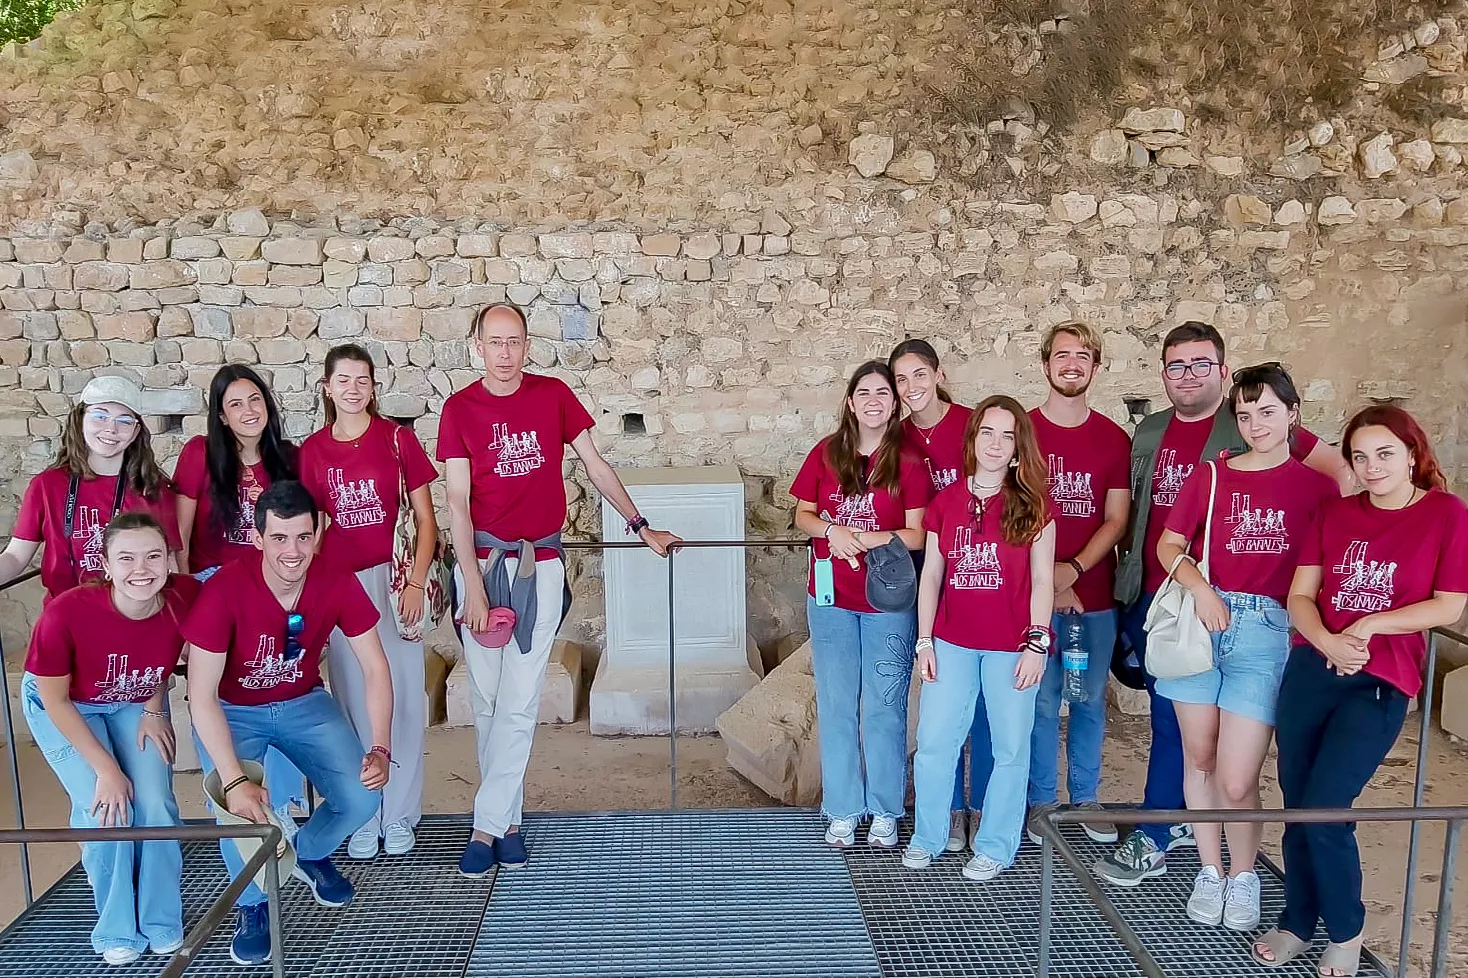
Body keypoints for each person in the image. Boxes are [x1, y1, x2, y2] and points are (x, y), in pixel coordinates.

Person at [1098, 323, 1350, 887]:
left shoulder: (1253, 420)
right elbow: (1145, 520)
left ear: (1220, 367)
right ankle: (1178, 827)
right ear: (1164, 374)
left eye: (1200, 364)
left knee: (1219, 746)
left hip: (1249, 613)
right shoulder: (1151, 432)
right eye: (1176, 365)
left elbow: (1337, 474)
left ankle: (1166, 831)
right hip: (1164, 593)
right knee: (1180, 727)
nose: (1187, 375)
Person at [438, 302, 679, 876]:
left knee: (520, 701)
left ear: (527, 344)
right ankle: (510, 820)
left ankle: (485, 826)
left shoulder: (553, 396)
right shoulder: (459, 409)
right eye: (494, 342)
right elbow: (456, 501)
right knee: (489, 701)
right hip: (482, 566)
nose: (505, 352)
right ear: (476, 346)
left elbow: (595, 465)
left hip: (540, 564)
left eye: (515, 341)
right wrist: (471, 583)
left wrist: (640, 525)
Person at [1251, 406, 1468, 977]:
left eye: (1385, 454)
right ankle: (1299, 918)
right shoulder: (1334, 512)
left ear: (1413, 454)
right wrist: (1326, 639)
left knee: (1325, 805)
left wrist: (1368, 627)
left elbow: (1449, 603)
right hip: (1311, 669)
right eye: (1360, 456)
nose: (1372, 467)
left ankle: (1346, 927)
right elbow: (1301, 596)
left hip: (1380, 680)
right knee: (1298, 803)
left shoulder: (1445, 514)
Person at [1154, 364, 1338, 932]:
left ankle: (1244, 873)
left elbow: (1326, 567)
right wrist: (1203, 591)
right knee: (1199, 757)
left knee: (1238, 777)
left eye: (1267, 411)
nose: (1256, 423)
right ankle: (1211, 870)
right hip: (1203, 621)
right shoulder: (1214, 476)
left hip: (1269, 629)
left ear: (1292, 415)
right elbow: (1169, 545)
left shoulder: (1316, 487)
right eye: (1246, 413)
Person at [184, 481, 394, 967]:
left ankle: (311, 850)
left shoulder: (336, 578)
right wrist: (234, 780)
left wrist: (380, 747)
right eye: (279, 538)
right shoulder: (223, 590)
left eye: (302, 537)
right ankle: (252, 906)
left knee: (363, 795)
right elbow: (201, 695)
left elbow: (375, 667)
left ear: (318, 533)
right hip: (233, 710)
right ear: (257, 539)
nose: (292, 551)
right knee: (240, 812)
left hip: (303, 701)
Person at [20, 512, 197, 966]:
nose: (142, 569)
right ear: (105, 563)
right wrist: (106, 769)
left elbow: (164, 652)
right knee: (109, 806)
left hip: (133, 699)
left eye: (154, 556)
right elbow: (55, 699)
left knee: (155, 801)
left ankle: (160, 920)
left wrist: (156, 708)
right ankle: (116, 927)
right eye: (127, 558)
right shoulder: (66, 613)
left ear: (168, 560)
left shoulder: (183, 596)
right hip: (66, 703)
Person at [903, 395, 1056, 882]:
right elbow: (931, 576)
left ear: (1018, 449)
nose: (994, 443)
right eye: (986, 432)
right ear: (973, 441)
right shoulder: (945, 503)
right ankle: (928, 836)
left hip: (1012, 645)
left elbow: (1042, 581)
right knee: (933, 742)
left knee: (1011, 747)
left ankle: (995, 844)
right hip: (951, 641)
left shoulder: (1034, 506)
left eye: (1006, 435)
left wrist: (1037, 644)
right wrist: (924, 641)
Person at [299, 344, 440, 859]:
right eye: (344, 379)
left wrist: (416, 581)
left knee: (401, 695)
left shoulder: (397, 439)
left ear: (373, 386)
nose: (354, 388)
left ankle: (399, 813)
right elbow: (310, 531)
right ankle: (363, 811)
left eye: (364, 379)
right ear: (327, 387)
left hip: (394, 578)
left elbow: (426, 520)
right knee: (352, 699)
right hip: (339, 585)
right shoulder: (311, 452)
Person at [792, 360, 929, 849]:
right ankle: (844, 806)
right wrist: (832, 531)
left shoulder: (909, 462)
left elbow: (918, 532)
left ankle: (886, 807)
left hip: (887, 599)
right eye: (864, 393)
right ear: (850, 401)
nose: (874, 401)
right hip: (830, 598)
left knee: (885, 706)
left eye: (884, 393)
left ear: (895, 404)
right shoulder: (827, 454)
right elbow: (802, 513)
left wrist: (865, 537)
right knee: (835, 703)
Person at [174, 364, 306, 835]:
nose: (249, 411)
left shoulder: (288, 458)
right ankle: (232, 798)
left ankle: (286, 816)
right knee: (218, 698)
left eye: (255, 400)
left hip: (275, 592)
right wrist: (184, 612)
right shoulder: (198, 455)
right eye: (235, 404)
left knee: (279, 687)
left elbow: (305, 535)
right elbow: (180, 539)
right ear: (222, 416)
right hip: (213, 590)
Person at [1024, 322, 1131, 848]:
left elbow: (1116, 518)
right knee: (1041, 700)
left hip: (1093, 597)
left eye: (1083, 355)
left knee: (1088, 699)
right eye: (1061, 354)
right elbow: (1011, 511)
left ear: (1095, 367)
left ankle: (1085, 797)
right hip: (1030, 596)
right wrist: (1050, 581)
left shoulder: (1113, 438)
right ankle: (1042, 799)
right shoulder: (1019, 430)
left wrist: (1074, 572)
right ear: (1044, 364)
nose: (1072, 363)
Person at [889, 339, 986, 852]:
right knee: (938, 700)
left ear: (938, 373)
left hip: (978, 575)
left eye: (919, 375)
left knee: (987, 703)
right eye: (901, 380)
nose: (911, 388)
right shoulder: (895, 436)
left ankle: (982, 807)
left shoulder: (974, 425)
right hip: (919, 575)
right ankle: (945, 808)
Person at [0, 376, 179, 598]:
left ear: (135, 432)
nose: (111, 429)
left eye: (124, 421)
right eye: (100, 416)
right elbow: (16, 557)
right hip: (67, 614)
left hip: (136, 614)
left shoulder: (153, 488)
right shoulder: (47, 486)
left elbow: (169, 560)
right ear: (80, 420)